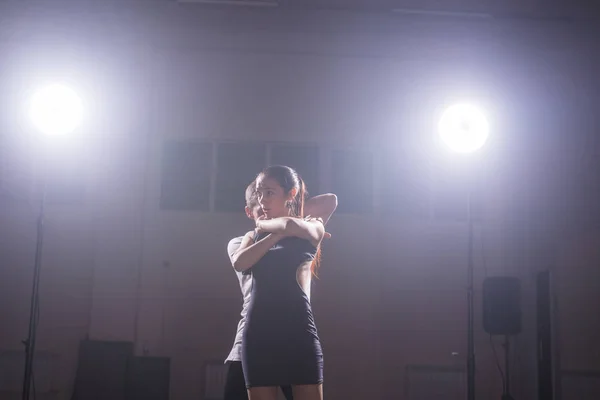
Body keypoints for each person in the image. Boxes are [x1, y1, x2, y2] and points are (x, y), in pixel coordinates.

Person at [224, 177, 337, 400]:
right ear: (250, 212)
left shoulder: (296, 233)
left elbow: (329, 201)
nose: (266, 211)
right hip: (254, 339)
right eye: (260, 204)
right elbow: (242, 261)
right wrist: (283, 230)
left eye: (270, 197)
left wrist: (293, 223)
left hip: (295, 334)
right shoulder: (240, 242)